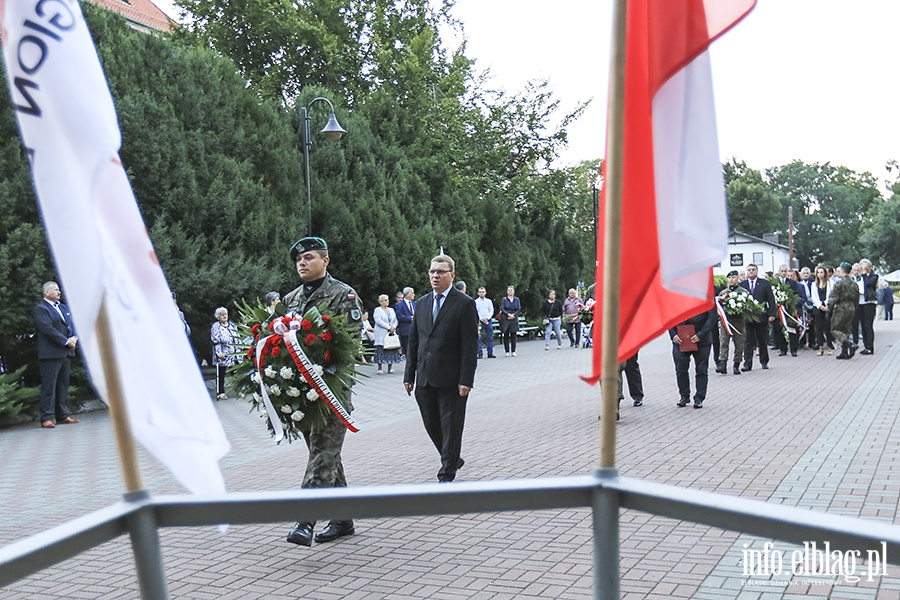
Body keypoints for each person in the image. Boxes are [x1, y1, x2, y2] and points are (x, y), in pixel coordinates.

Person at [282, 236, 363, 547]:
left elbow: (351, 344)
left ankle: (305, 521)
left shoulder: (344, 295)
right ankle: (342, 520)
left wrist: (320, 360)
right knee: (326, 455)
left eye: (310, 258)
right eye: (299, 260)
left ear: (325, 261)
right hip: (301, 393)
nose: (303, 263)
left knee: (322, 453)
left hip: (332, 392)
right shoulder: (290, 300)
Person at [403, 254, 478, 483]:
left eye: (441, 272)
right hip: (424, 377)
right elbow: (414, 341)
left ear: (452, 275)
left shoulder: (464, 304)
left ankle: (446, 473)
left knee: (451, 426)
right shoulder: (423, 303)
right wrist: (409, 375)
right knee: (432, 424)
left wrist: (466, 379)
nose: (435, 276)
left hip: (451, 378)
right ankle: (452, 458)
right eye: (432, 271)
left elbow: (470, 345)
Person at [33, 281, 79, 429]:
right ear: (47, 293)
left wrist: (74, 337)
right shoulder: (41, 309)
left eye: (59, 290)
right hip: (51, 354)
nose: (59, 292)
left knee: (62, 386)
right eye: (55, 290)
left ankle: (62, 415)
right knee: (49, 387)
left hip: (66, 353)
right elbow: (47, 328)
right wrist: (65, 341)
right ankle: (46, 417)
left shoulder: (63, 307)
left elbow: (72, 325)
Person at [669, 307, 714, 409]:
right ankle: (684, 395)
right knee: (680, 369)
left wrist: (701, 335)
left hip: (701, 340)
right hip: (680, 339)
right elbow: (669, 317)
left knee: (701, 369)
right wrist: (673, 334)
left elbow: (711, 318)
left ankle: (699, 398)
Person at [739, 264, 776, 371]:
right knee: (748, 341)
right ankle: (747, 363)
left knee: (762, 340)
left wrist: (772, 314)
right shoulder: (742, 285)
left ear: (757, 271)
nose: (751, 272)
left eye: (753, 270)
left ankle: (764, 361)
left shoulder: (765, 283)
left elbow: (771, 300)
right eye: (749, 270)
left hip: (761, 317)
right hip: (747, 318)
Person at [715, 270, 747, 375]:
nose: (731, 280)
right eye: (729, 278)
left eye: (733, 277)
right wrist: (720, 320)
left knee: (739, 344)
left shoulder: (743, 292)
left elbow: (748, 308)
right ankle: (722, 364)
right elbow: (718, 308)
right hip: (726, 322)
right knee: (723, 342)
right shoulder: (723, 293)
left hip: (739, 322)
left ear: (737, 278)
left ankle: (736, 364)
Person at [830, 262, 859, 360]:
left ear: (842, 271)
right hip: (851, 307)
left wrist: (828, 308)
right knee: (845, 329)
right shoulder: (854, 284)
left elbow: (833, 298)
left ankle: (849, 344)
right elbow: (857, 299)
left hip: (841, 307)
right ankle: (844, 352)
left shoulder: (839, 283)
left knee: (835, 329)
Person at [210, 307, 237, 401]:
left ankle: (239, 389)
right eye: (222, 315)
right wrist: (219, 353)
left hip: (234, 353)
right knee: (221, 373)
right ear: (218, 317)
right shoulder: (216, 326)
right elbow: (215, 341)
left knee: (236, 372)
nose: (225, 316)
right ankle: (221, 392)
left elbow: (237, 338)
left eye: (225, 314)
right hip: (223, 354)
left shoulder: (232, 325)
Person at [373, 294, 402, 374]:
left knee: (391, 348)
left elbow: (395, 320)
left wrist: (393, 327)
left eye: (388, 299)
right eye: (385, 300)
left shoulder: (391, 310)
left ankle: (390, 367)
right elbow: (378, 321)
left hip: (391, 332)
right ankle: (380, 367)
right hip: (381, 332)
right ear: (381, 302)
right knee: (381, 349)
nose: (387, 301)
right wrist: (389, 327)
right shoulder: (377, 310)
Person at [809, 266, 834, 355]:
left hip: (828, 307)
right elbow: (813, 297)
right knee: (818, 328)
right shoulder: (813, 284)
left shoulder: (831, 283)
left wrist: (827, 305)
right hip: (818, 308)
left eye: (821, 272)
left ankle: (829, 346)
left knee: (828, 327)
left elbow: (832, 295)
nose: (820, 274)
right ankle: (820, 347)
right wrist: (820, 306)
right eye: (818, 272)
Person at [856, 258, 878, 355]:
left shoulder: (874, 276)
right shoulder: (859, 277)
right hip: (860, 303)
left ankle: (870, 347)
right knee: (862, 326)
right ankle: (865, 346)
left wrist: (865, 274)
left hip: (869, 302)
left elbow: (868, 284)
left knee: (868, 325)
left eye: (865, 267)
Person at [498, 285, 521, 356]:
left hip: (514, 318)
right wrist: (508, 314)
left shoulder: (517, 299)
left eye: (511, 290)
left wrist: (513, 315)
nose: (510, 292)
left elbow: (519, 308)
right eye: (509, 290)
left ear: (514, 291)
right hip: (506, 318)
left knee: (514, 334)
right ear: (507, 291)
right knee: (506, 334)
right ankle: (507, 351)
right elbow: (502, 308)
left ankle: (513, 351)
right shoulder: (504, 299)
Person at [474, 287, 496, 359]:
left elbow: (491, 310)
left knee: (489, 337)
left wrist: (487, 318)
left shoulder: (489, 301)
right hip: (479, 321)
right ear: (478, 293)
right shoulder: (476, 302)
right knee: (479, 337)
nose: (481, 293)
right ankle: (479, 353)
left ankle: (490, 353)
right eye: (480, 292)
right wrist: (482, 319)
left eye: (483, 292)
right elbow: (476, 311)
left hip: (488, 320)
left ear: (485, 293)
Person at [394, 287, 415, 355]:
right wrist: (411, 318)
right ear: (408, 294)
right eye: (412, 293)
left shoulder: (415, 304)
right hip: (406, 331)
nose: (413, 295)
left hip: (416, 330)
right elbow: (400, 316)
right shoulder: (399, 305)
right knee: (408, 352)